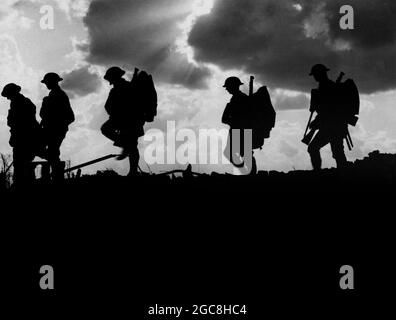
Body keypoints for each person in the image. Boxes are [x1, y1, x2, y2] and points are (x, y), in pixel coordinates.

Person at [101, 66, 145, 176]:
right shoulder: (126, 87)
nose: (109, 81)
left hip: (128, 121)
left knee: (131, 146)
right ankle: (132, 170)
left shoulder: (122, 88)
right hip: (128, 121)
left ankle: (133, 171)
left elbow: (109, 106)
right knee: (132, 146)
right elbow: (108, 107)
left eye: (110, 78)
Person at [307, 64, 348, 170]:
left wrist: (316, 122)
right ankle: (343, 174)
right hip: (335, 126)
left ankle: (319, 173)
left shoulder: (327, 87)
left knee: (313, 148)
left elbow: (328, 109)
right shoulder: (327, 86)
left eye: (315, 74)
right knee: (338, 152)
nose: (314, 77)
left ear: (320, 74)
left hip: (332, 126)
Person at [2, 83, 40, 185]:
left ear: (12, 93)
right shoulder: (24, 102)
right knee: (24, 165)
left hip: (23, 140)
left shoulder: (18, 103)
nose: (7, 98)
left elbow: (13, 122)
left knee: (21, 165)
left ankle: (21, 185)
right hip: (25, 138)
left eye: (8, 95)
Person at [40, 72, 75, 180]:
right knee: (49, 151)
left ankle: (57, 174)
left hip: (56, 130)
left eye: (47, 82)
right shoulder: (53, 95)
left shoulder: (59, 95)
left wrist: (58, 126)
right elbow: (44, 115)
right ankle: (56, 168)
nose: (46, 84)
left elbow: (70, 116)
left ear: (53, 82)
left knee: (51, 152)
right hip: (51, 129)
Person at [222, 77, 255, 174]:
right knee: (239, 154)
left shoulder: (239, 98)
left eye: (228, 87)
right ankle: (245, 171)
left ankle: (246, 171)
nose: (226, 89)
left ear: (233, 86)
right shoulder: (238, 98)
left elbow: (243, 116)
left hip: (240, 130)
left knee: (237, 154)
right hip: (239, 130)